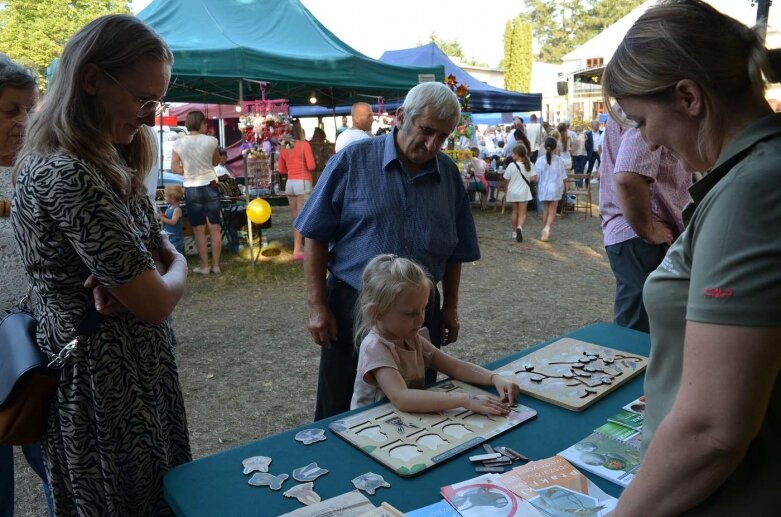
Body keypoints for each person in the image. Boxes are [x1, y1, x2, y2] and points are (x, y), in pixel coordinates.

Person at [601, 1, 781, 515]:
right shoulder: (752, 175)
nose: (646, 139)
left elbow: (712, 430)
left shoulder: (752, 191)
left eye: (641, 120)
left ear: (688, 96)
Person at [11, 14, 190, 515]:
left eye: (157, 101)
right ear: (92, 80)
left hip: (131, 377)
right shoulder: (69, 172)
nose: (151, 117)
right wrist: (173, 269)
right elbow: (155, 302)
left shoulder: (107, 157)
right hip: (103, 389)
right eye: (142, 99)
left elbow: (158, 254)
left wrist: (164, 264)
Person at [295, 81, 480, 420]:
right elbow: (314, 234)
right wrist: (317, 304)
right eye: (426, 131)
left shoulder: (449, 175)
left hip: (420, 310)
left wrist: (450, 306)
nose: (431, 144)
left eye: (442, 137)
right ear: (400, 117)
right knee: (341, 408)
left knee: (414, 405)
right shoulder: (352, 161)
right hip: (355, 306)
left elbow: (457, 250)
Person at [351, 254, 520, 412]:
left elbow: (455, 367)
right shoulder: (375, 348)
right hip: (372, 424)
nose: (421, 319)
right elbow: (401, 397)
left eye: (423, 308)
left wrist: (494, 378)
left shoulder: (411, 337)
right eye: (410, 313)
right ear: (377, 312)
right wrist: (464, 400)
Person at [0, 52, 54, 517]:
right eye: (9, 110)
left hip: (38, 339)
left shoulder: (40, 168)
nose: (22, 121)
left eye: (27, 109)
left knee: (53, 457)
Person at [599, 111, 690, 333]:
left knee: (645, 328)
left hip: (634, 234)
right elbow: (629, 177)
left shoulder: (630, 106)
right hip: (644, 237)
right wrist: (648, 229)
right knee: (639, 334)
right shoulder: (642, 104)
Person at [172, 110, 222, 274]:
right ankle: (216, 265)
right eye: (205, 123)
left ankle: (204, 266)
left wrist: (186, 170)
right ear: (200, 123)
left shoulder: (179, 143)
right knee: (214, 228)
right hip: (210, 184)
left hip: (192, 187)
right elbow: (216, 162)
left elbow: (174, 167)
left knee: (199, 229)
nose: (207, 125)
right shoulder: (212, 141)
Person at [278, 119, 315, 260]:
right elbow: (311, 166)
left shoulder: (284, 147)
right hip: (303, 182)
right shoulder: (305, 145)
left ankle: (298, 247)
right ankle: (298, 249)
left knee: (295, 217)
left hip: (290, 183)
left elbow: (280, 169)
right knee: (302, 217)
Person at [534, 137, 567, 242]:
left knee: (546, 210)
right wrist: (565, 188)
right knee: (552, 211)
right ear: (555, 147)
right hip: (555, 187)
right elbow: (563, 176)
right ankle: (547, 228)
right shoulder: (559, 160)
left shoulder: (540, 160)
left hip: (544, 188)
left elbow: (536, 176)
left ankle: (544, 229)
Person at [503, 144, 536, 243]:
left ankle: (514, 232)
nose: (512, 155)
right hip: (524, 192)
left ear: (518, 155)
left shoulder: (511, 165)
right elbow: (534, 178)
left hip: (513, 191)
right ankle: (520, 227)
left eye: (513, 154)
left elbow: (506, 178)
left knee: (514, 212)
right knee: (522, 213)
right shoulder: (530, 164)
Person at [159, 184, 185, 255]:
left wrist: (162, 218)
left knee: (176, 253)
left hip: (175, 237)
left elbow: (173, 222)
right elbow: (168, 217)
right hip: (168, 235)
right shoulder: (169, 207)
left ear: (172, 198)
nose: (164, 197)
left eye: (166, 196)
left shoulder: (177, 209)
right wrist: (164, 216)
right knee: (169, 252)